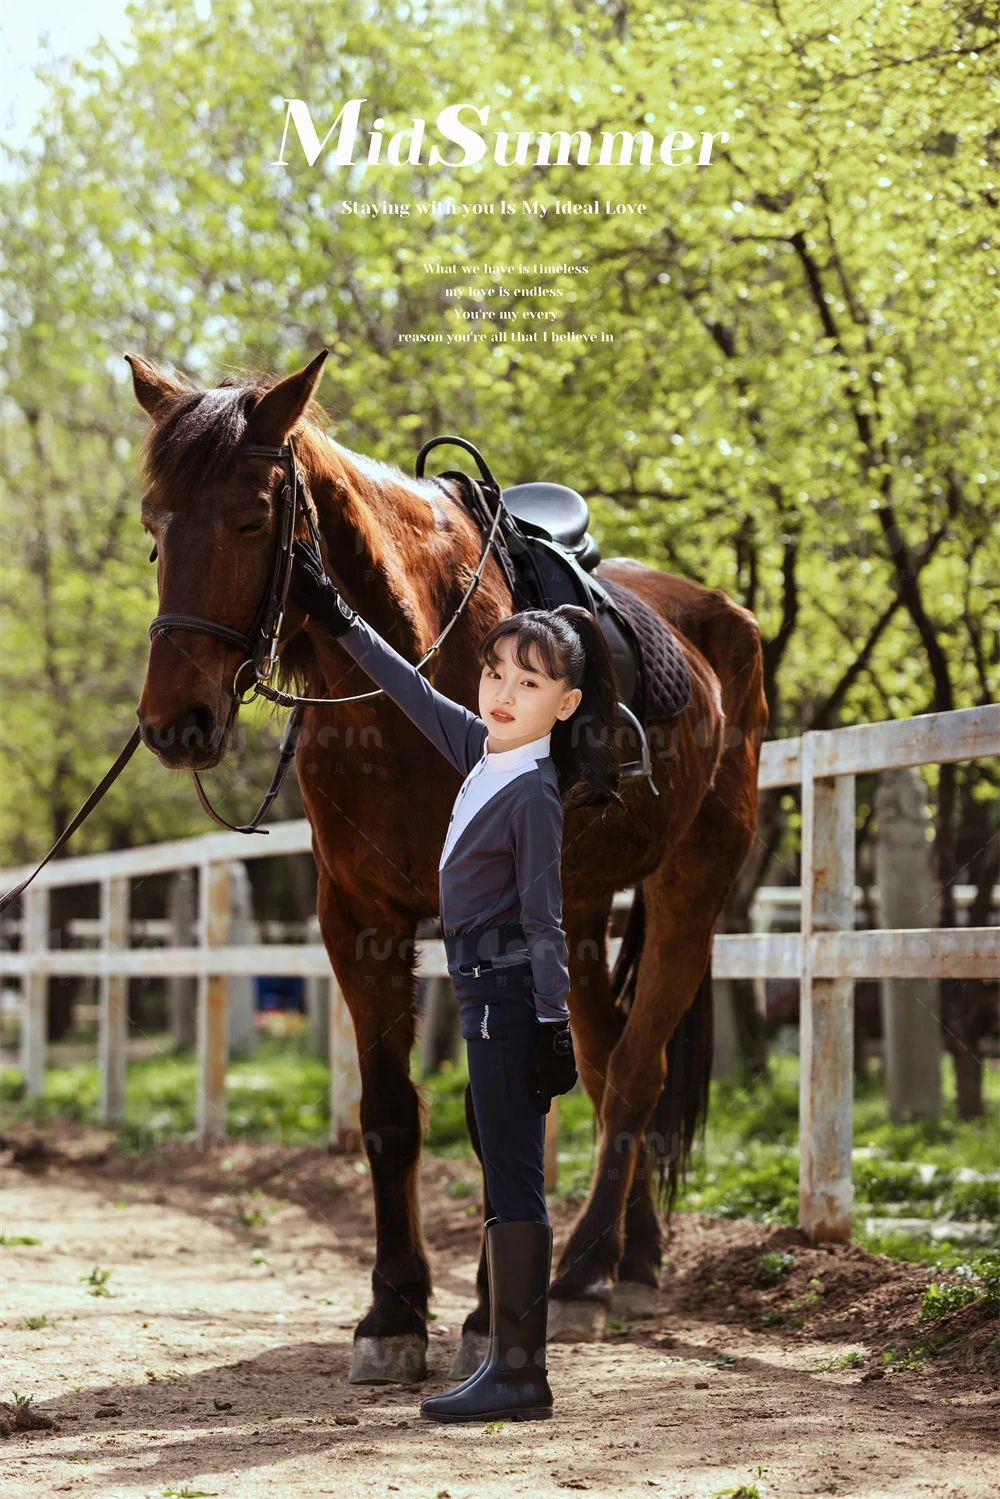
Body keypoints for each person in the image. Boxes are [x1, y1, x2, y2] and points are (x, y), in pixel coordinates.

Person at [289, 538, 623, 1422]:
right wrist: (337, 613)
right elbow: (405, 686)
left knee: (513, 1174)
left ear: (566, 704)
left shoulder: (536, 796)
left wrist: (554, 1021)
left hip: (511, 994)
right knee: (506, 1169)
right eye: (498, 673)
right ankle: (509, 1364)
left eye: (530, 683)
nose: (504, 693)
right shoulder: (480, 750)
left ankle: (519, 1368)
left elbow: (547, 920)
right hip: (479, 990)